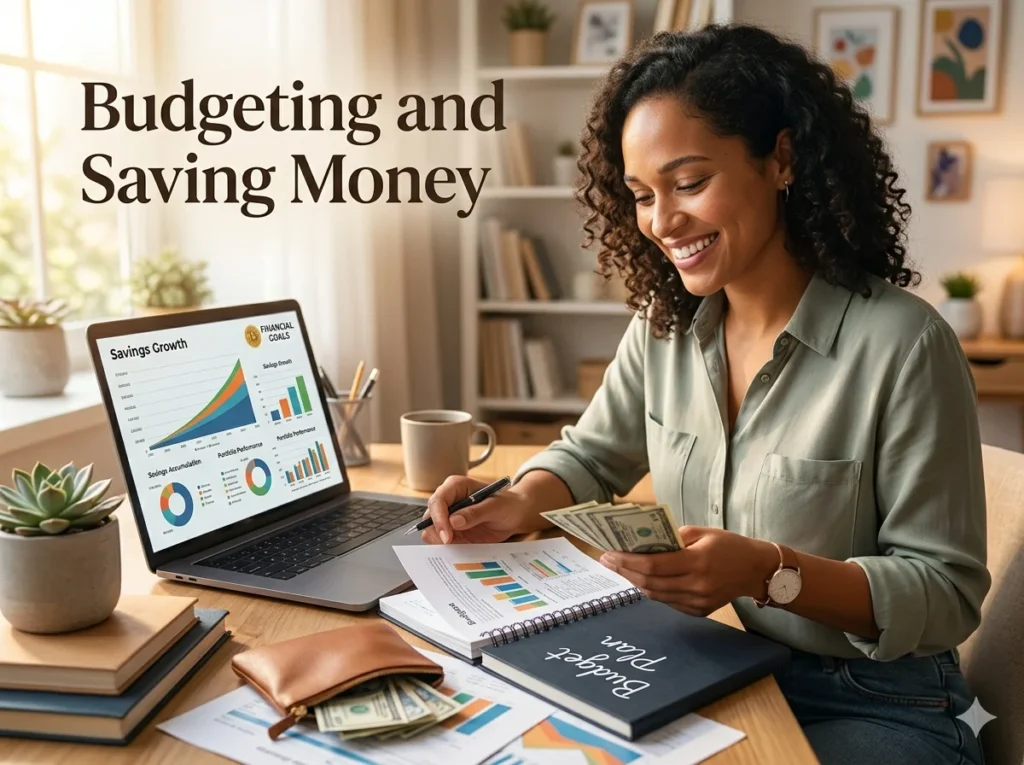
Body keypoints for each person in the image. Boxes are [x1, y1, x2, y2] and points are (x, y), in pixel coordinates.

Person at [421, 24, 990, 765]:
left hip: (875, 700)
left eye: (689, 184)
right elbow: (591, 454)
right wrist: (514, 500)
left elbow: (945, 591)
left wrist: (766, 571)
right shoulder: (665, 328)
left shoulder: (904, 344)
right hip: (712, 668)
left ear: (781, 159)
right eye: (641, 195)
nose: (662, 221)